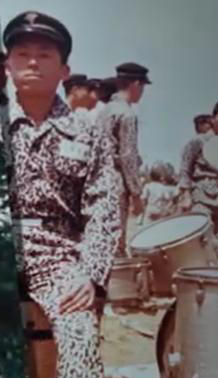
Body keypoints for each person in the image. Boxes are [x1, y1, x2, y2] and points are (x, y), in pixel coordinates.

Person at [2, 11, 121, 378]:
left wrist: (90, 273)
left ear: (64, 71)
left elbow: (104, 205)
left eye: (45, 54)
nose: (33, 62)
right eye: (22, 53)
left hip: (58, 256)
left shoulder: (87, 132)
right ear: (8, 64)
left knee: (79, 330)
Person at [97, 62, 150, 256]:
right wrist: (136, 194)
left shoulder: (105, 111)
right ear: (136, 84)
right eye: (142, 86)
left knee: (102, 240)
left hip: (98, 182)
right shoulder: (127, 114)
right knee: (116, 245)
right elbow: (128, 157)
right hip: (116, 183)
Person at [178, 100, 218, 265]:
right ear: (213, 119)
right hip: (201, 195)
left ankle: (217, 272)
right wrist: (185, 194)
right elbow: (185, 168)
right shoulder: (198, 141)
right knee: (203, 238)